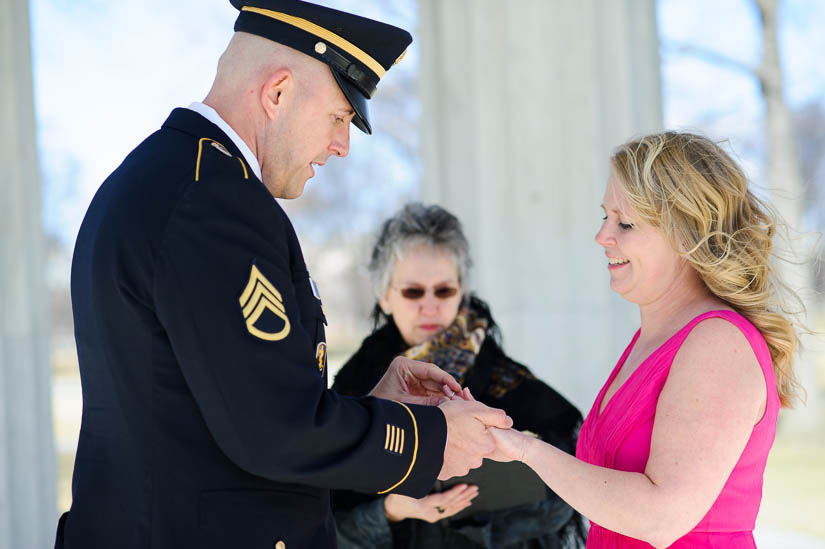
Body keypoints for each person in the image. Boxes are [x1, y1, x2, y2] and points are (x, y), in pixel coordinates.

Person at [54, 2, 512, 548]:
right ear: (278, 93)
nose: (342, 146)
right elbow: (274, 432)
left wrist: (375, 408)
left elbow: (227, 405)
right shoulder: (214, 200)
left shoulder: (171, 176)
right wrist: (431, 440)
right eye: (339, 118)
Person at [489, 131, 803, 548]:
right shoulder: (654, 338)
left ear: (686, 234)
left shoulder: (716, 343)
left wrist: (526, 452)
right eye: (604, 216)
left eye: (626, 222)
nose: (603, 236)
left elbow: (662, 518)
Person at [331, 203, 587, 548]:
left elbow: (567, 493)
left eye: (444, 290)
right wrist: (392, 509)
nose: (430, 305)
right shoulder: (354, 390)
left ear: (462, 291)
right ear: (384, 296)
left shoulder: (509, 381)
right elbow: (329, 521)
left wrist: (467, 519)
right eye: (413, 291)